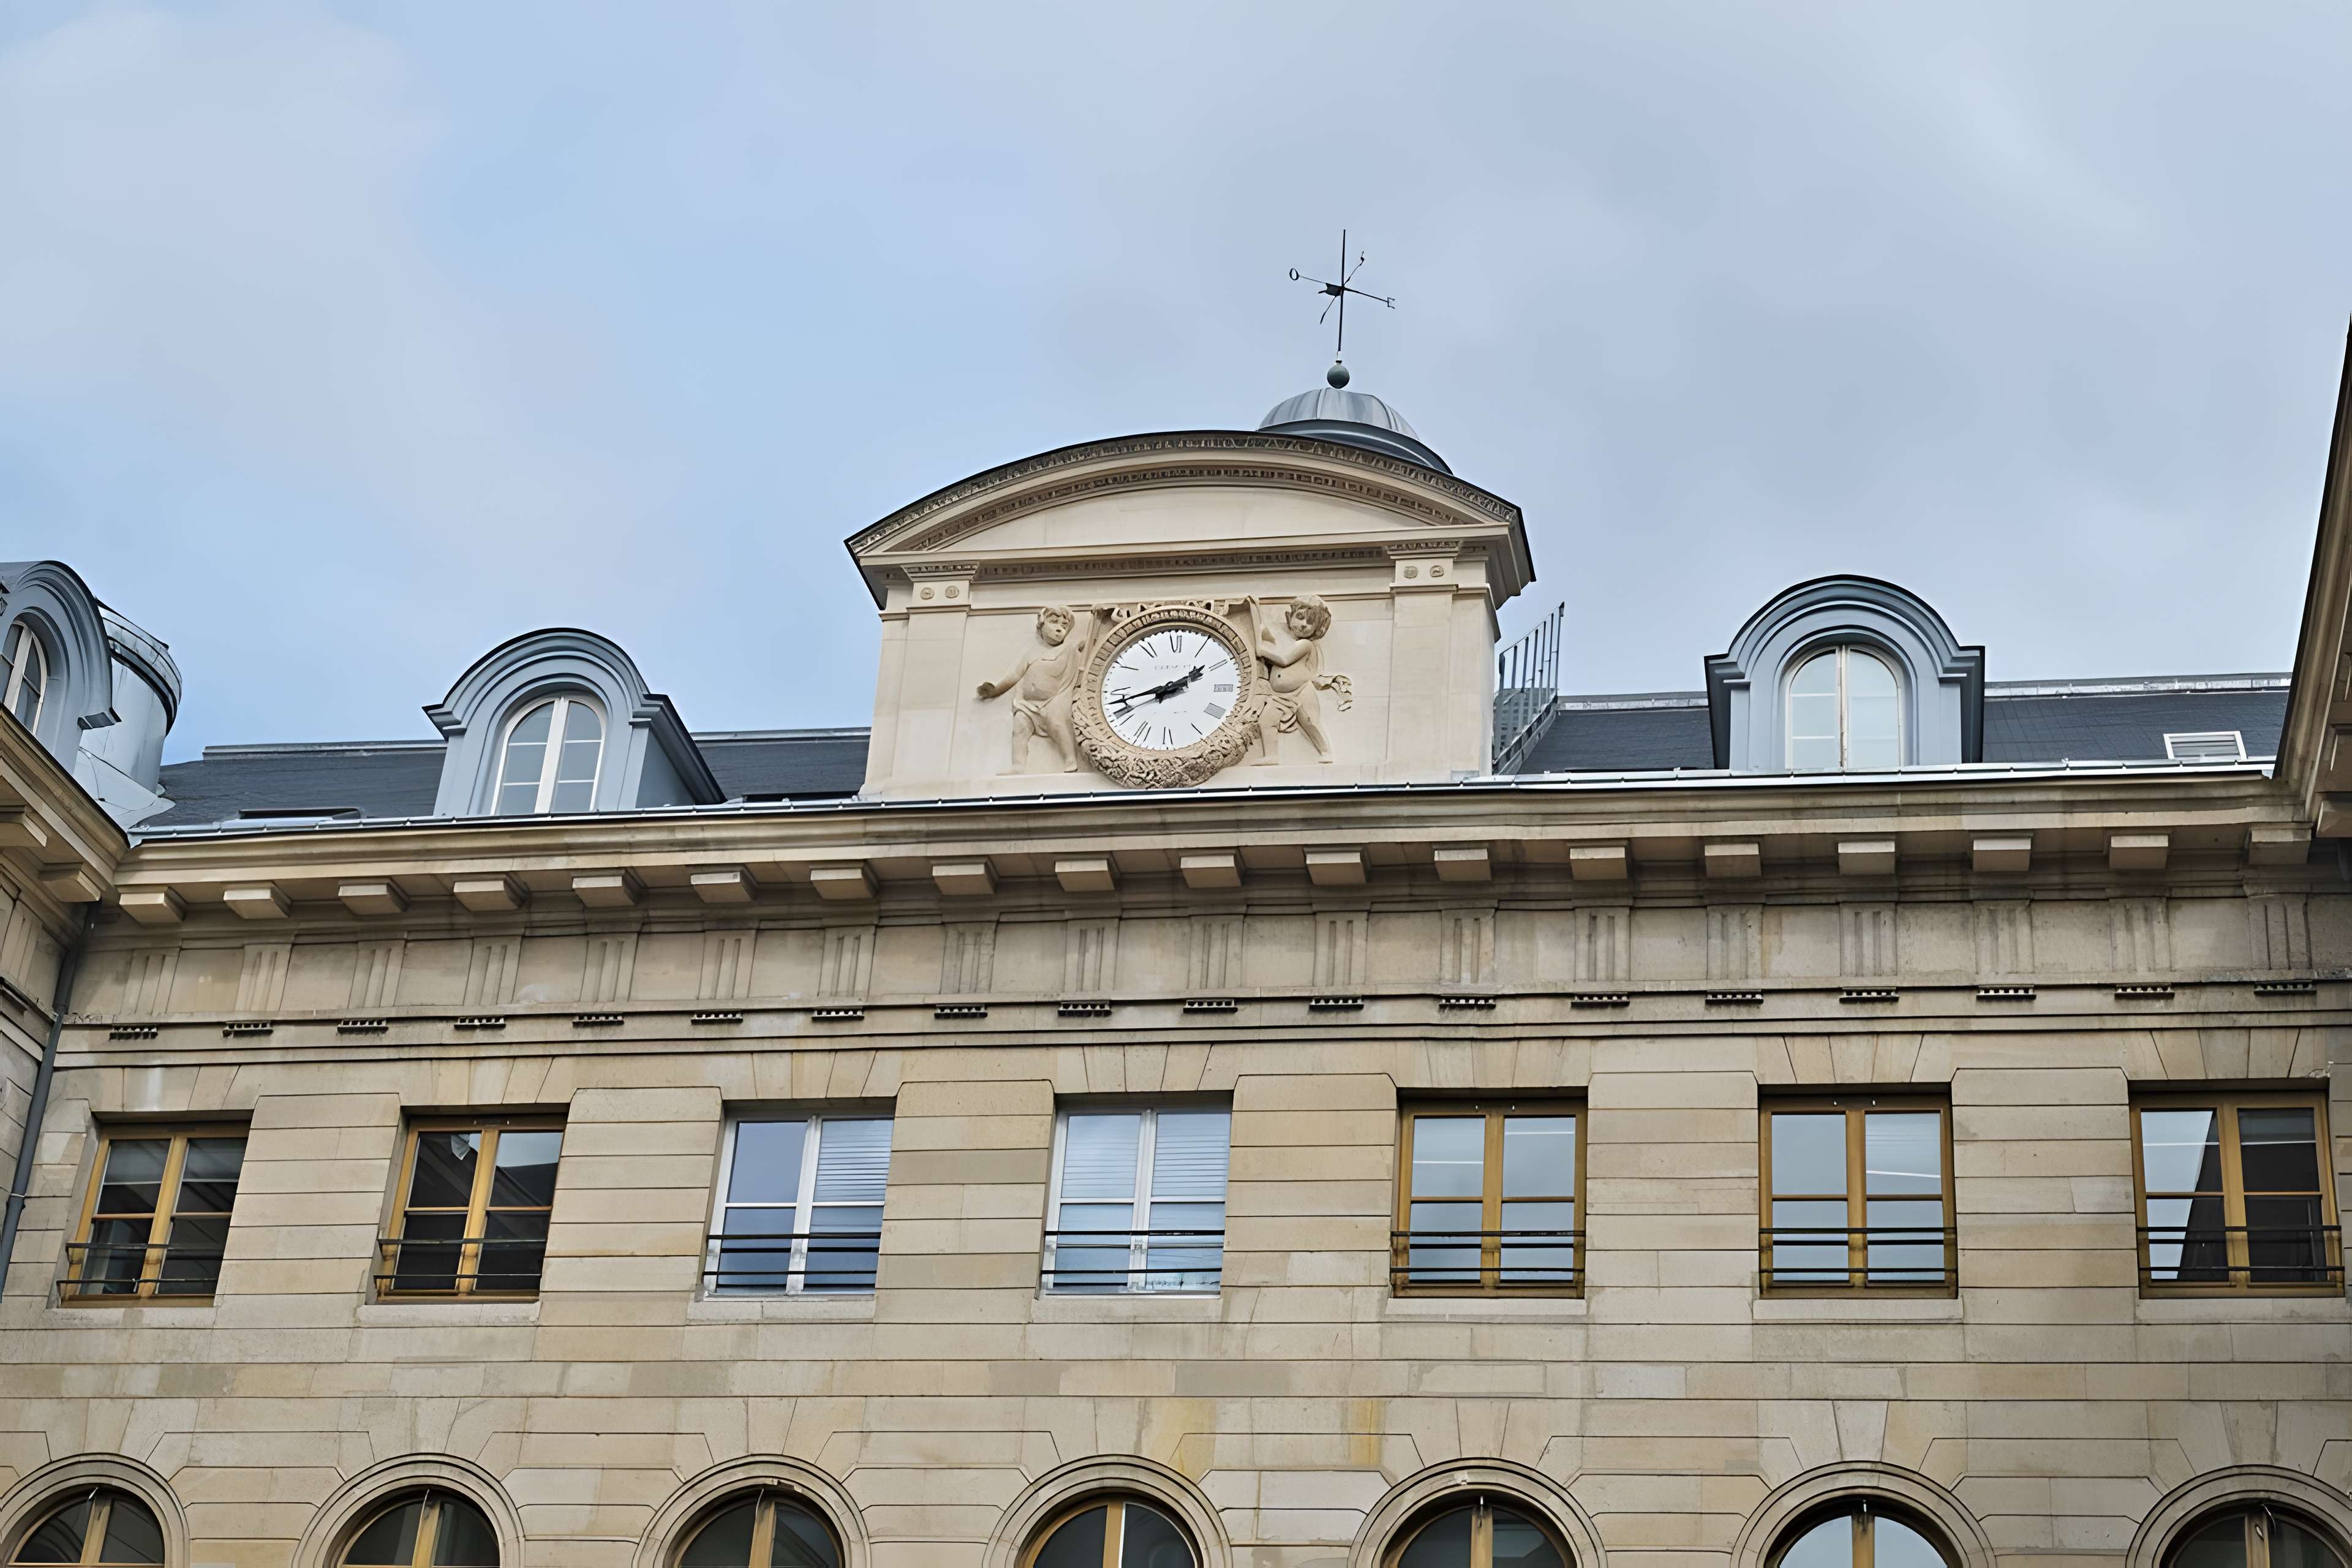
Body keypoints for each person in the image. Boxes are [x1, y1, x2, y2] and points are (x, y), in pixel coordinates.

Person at [976, 603, 1101, 772]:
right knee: (1020, 726)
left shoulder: (1070, 647)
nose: (1059, 629)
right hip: (1028, 704)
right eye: (1054, 622)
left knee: (1056, 721)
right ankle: (1018, 766)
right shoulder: (1032, 653)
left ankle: (1070, 759)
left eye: (1064, 626)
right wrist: (995, 690)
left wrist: (1098, 621)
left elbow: (1091, 641)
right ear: (1041, 625)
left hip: (1055, 700)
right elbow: (1015, 675)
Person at [1245, 594, 1351, 763]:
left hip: (1301, 691)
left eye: (1310, 622)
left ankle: (1326, 751)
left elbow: (1284, 660)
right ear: (1289, 617)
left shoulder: (1305, 644)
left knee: (1310, 721)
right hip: (1280, 696)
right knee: (1266, 721)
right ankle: (1271, 756)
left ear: (1318, 628)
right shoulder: (1291, 643)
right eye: (1300, 617)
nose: (1303, 624)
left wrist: (1261, 650)